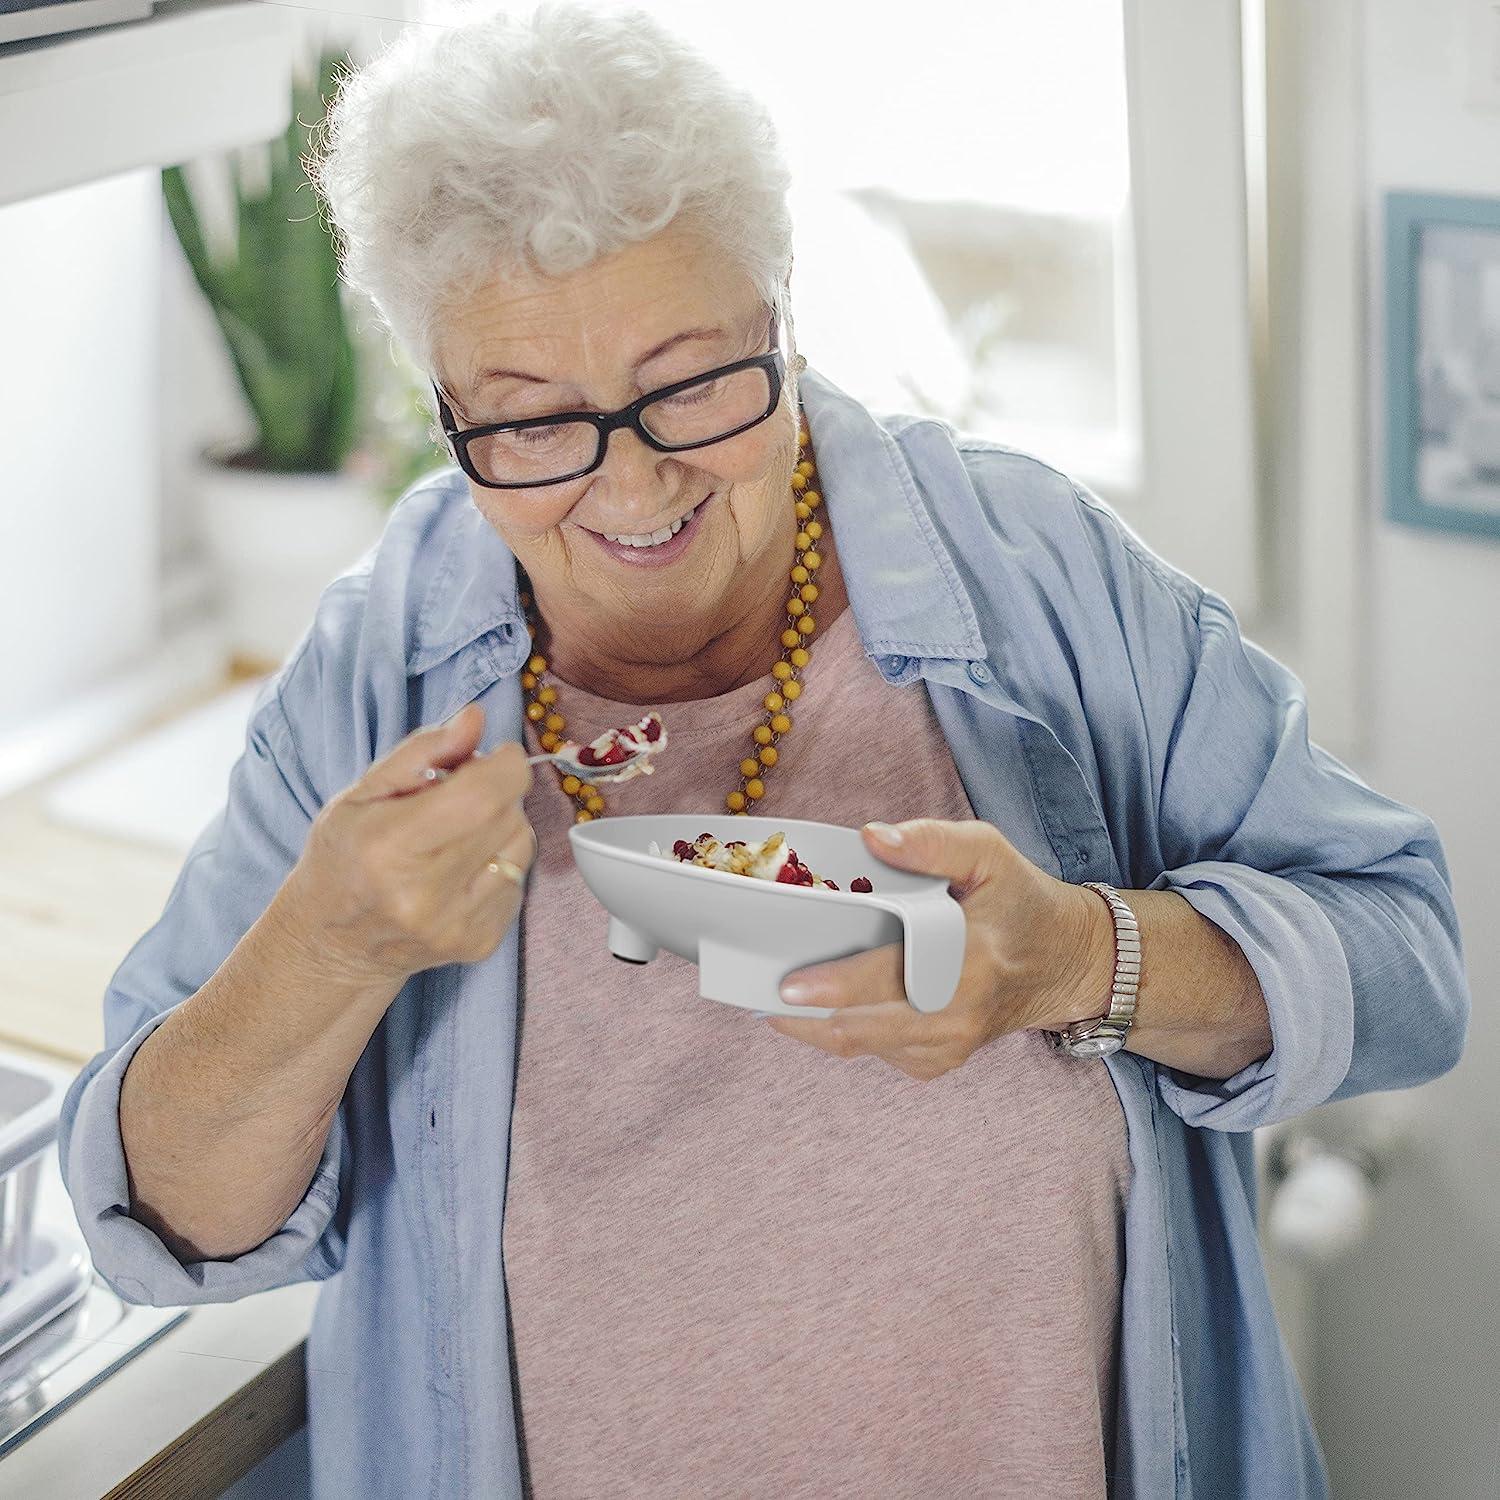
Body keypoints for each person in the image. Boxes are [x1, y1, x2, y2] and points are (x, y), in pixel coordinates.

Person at [59, 4, 1470, 1496]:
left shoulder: (1029, 570)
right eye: (533, 423)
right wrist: (325, 950)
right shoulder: (381, 669)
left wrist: (1072, 959)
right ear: (446, 409)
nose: (637, 480)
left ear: (784, 314)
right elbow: (163, 1221)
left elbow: (1407, 967)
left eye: (692, 383)